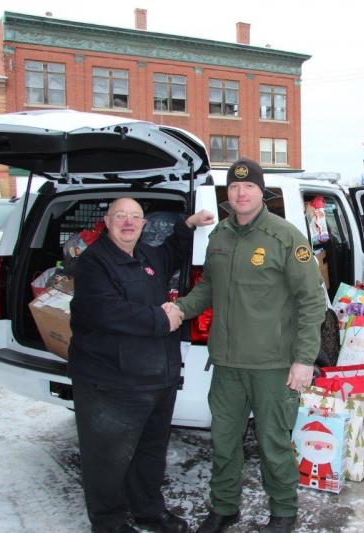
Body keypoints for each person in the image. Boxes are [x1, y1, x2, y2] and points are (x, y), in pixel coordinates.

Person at [168, 158, 325, 533]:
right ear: (228, 193)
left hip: (273, 366)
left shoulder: (285, 237)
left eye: (248, 186)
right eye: (234, 187)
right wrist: (180, 308)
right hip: (227, 364)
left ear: (261, 192)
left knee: (273, 444)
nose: (241, 193)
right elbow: (208, 288)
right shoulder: (219, 236)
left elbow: (311, 300)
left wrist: (304, 359)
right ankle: (225, 507)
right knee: (224, 441)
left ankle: (284, 512)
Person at [68, 197, 214, 533]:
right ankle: (109, 524)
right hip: (112, 380)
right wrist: (163, 318)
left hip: (155, 377)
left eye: (135, 217)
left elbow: (172, 251)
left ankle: (149, 512)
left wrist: (187, 225)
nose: (128, 222)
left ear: (144, 224)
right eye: (121, 216)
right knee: (107, 458)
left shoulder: (147, 254)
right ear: (107, 221)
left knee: (150, 451)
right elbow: (106, 311)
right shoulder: (94, 263)